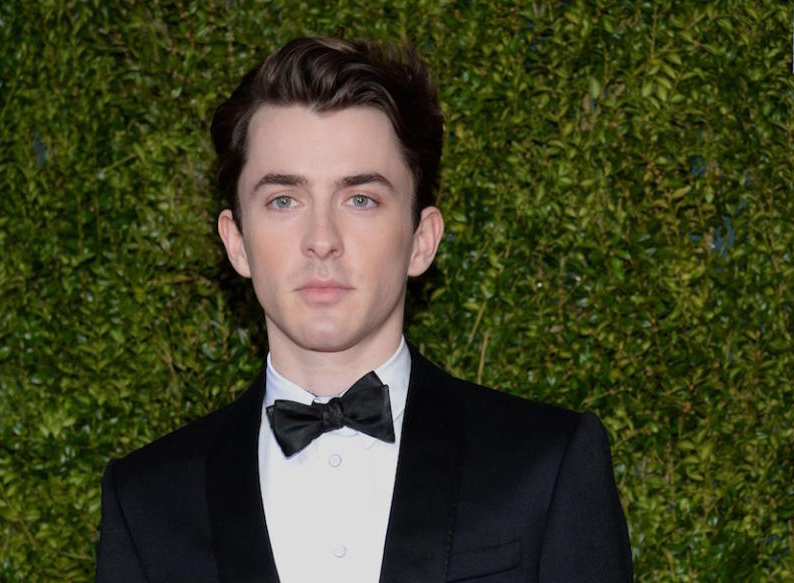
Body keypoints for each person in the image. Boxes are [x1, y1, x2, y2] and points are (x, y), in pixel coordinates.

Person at [95, 37, 633, 583]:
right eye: (284, 200)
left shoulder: (548, 466)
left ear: (422, 239)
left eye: (361, 199)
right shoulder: (145, 502)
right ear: (237, 242)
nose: (322, 239)